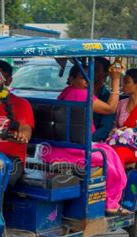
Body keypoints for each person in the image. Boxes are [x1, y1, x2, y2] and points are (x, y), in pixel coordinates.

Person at [42, 63, 128, 215]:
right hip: (74, 150)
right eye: (83, 78)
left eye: (89, 79)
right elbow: (110, 108)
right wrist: (115, 80)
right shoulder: (81, 94)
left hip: (56, 148)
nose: (87, 82)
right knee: (111, 162)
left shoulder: (66, 92)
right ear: (71, 78)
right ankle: (111, 202)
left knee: (107, 150)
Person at [92, 57, 116, 142]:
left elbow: (105, 129)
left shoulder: (108, 98)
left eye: (96, 69)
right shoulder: (81, 93)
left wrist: (85, 139)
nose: (91, 72)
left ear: (105, 74)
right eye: (90, 68)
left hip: (93, 143)